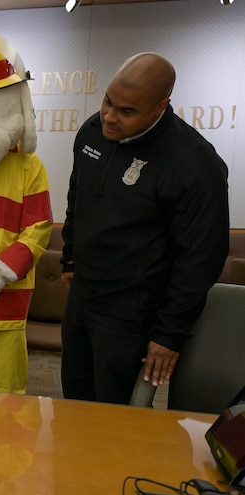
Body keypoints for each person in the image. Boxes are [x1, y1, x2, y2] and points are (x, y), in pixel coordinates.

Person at [60, 52, 229, 405]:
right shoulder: (93, 131)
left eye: (127, 111)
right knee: (74, 408)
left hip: (130, 314)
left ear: (161, 106)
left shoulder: (195, 164)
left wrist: (170, 334)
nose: (109, 116)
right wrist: (70, 258)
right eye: (108, 101)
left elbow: (201, 258)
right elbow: (77, 197)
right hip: (82, 301)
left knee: (118, 422)